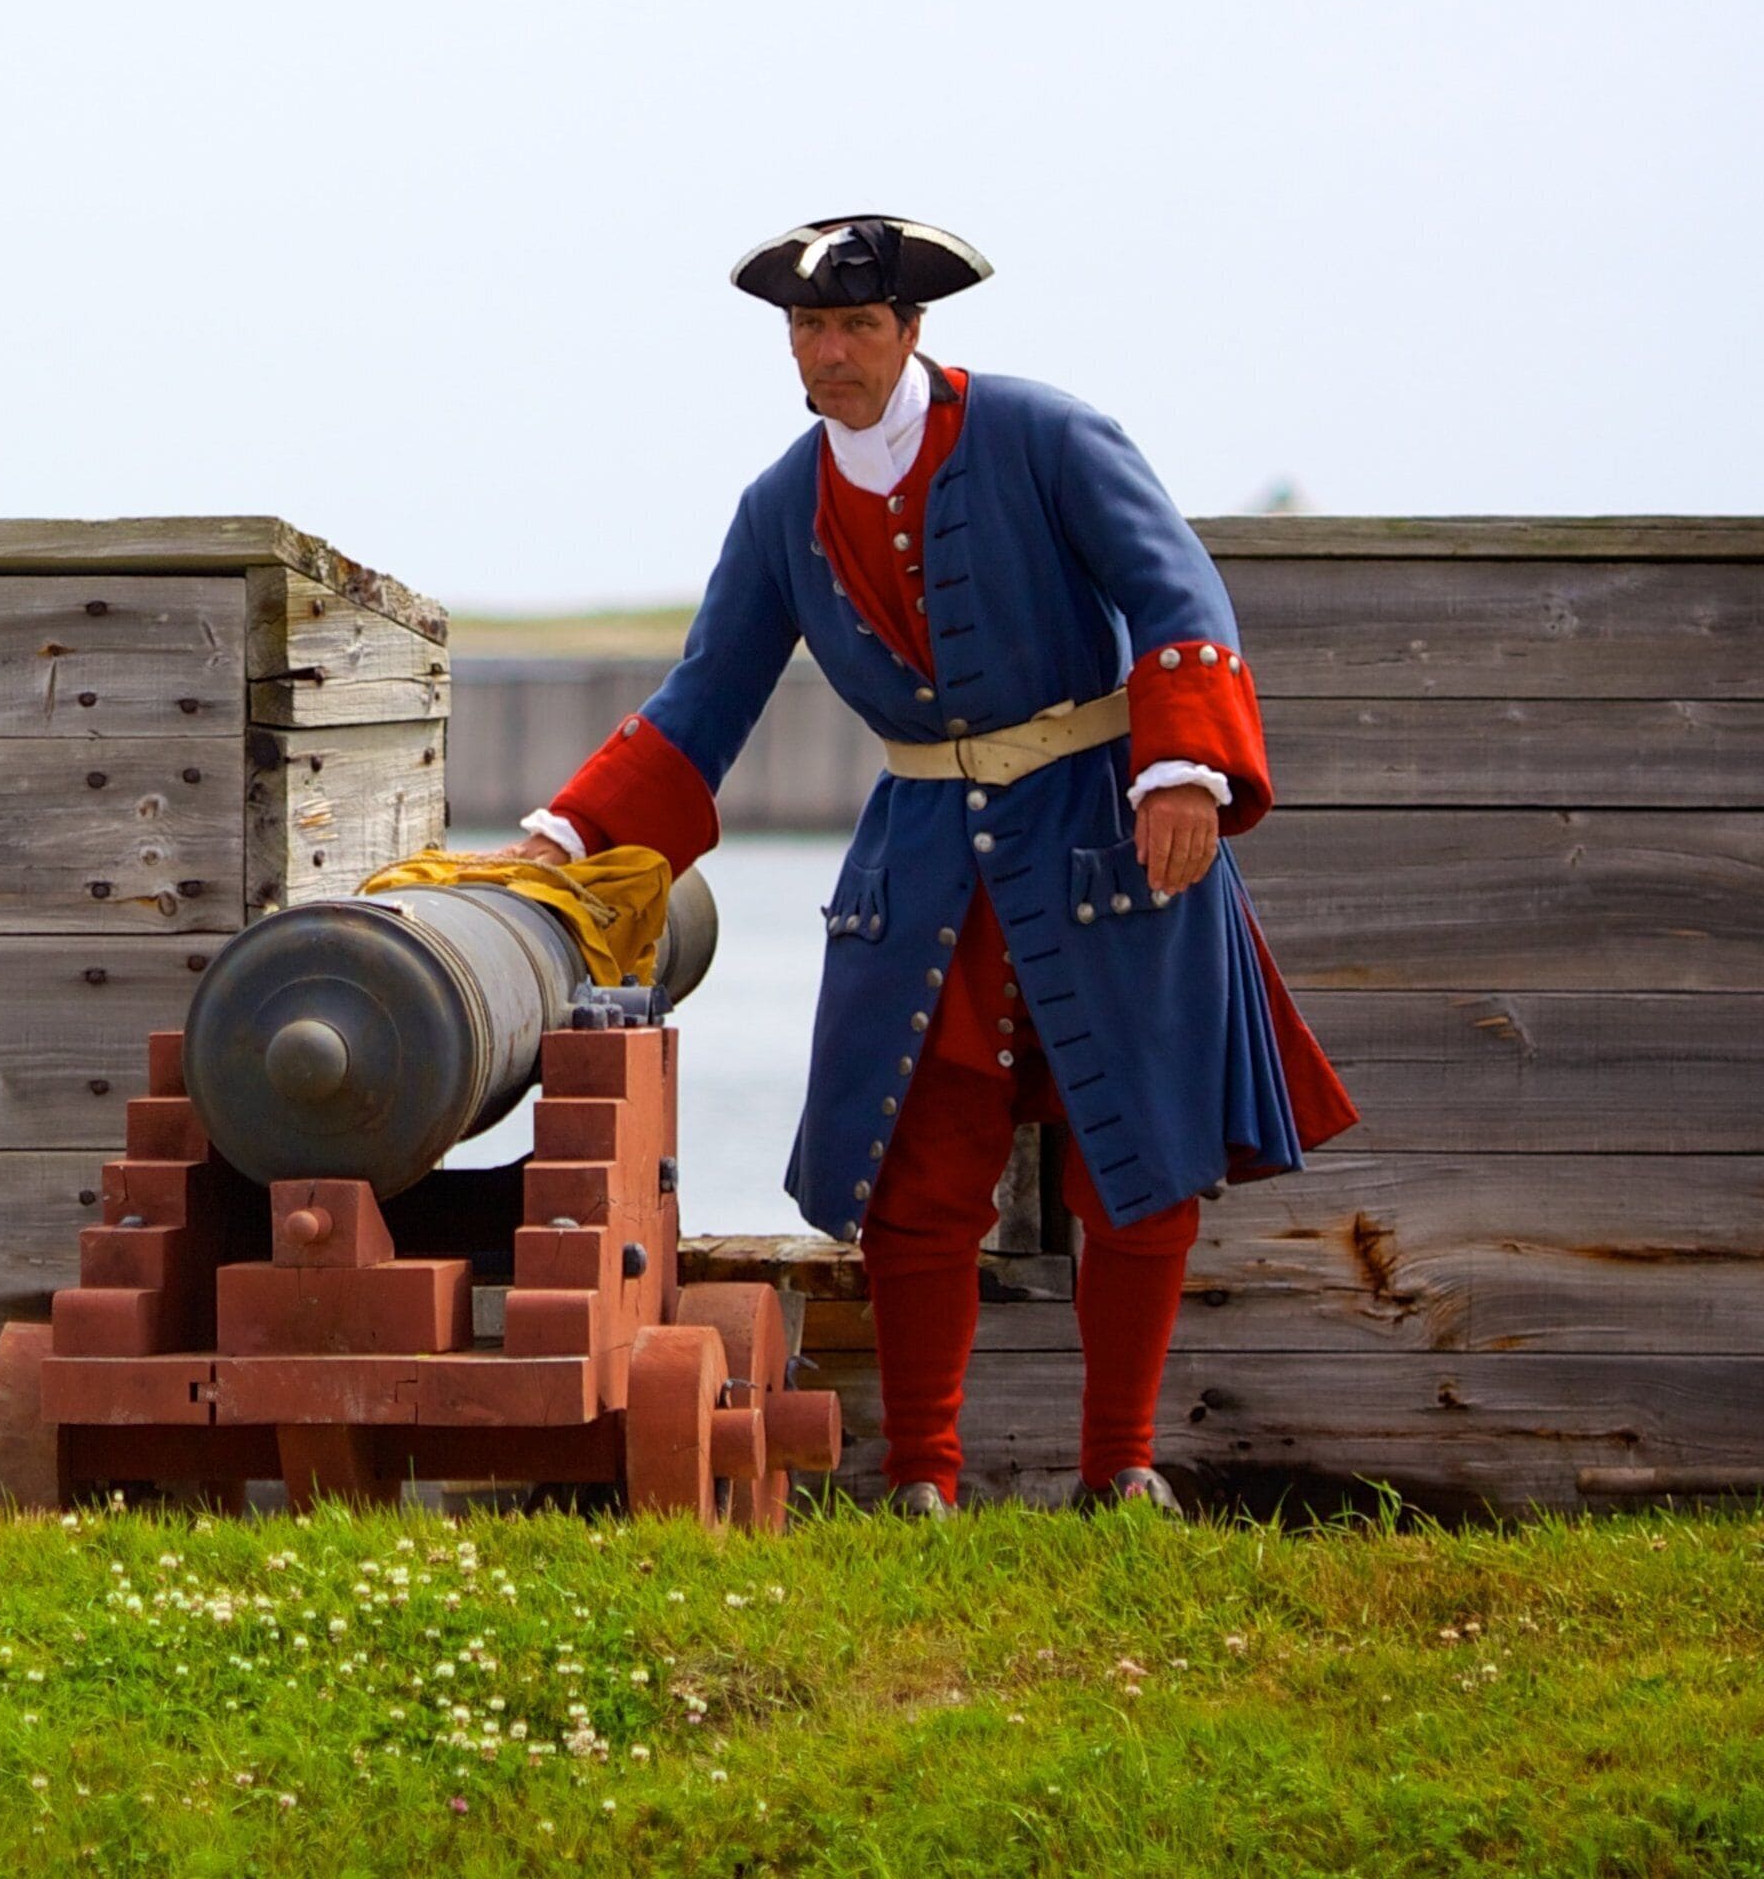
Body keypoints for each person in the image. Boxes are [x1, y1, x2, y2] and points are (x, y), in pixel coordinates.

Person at [476, 215, 1357, 1515]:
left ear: (913, 330)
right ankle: (925, 1481)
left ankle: (1121, 1471)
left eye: (855, 327)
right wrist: (571, 834)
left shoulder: (1049, 435)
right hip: (927, 864)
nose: (829, 354)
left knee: (1148, 1155)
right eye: (807, 330)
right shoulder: (783, 504)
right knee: (915, 1174)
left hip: (1107, 842)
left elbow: (1179, 592)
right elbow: (708, 694)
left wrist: (1183, 772)